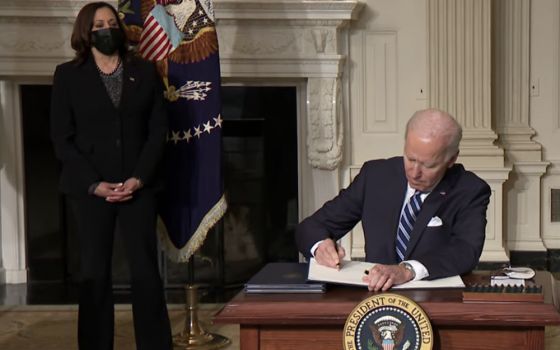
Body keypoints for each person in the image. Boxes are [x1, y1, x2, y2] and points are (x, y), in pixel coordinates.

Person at [50, 2, 172, 349]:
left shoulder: (146, 71)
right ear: (85, 34)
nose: (107, 28)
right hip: (90, 190)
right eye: (98, 24)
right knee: (94, 274)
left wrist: (139, 178)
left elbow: (157, 130)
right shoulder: (67, 75)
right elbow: (62, 138)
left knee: (146, 273)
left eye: (111, 22)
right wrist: (94, 184)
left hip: (139, 187)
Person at [296, 108, 491, 292]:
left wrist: (407, 270)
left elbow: (465, 251)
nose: (415, 173)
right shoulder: (375, 176)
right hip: (372, 298)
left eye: (428, 165)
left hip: (434, 300)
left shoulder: (470, 190)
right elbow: (310, 227)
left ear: (451, 160)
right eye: (410, 158)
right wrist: (320, 245)